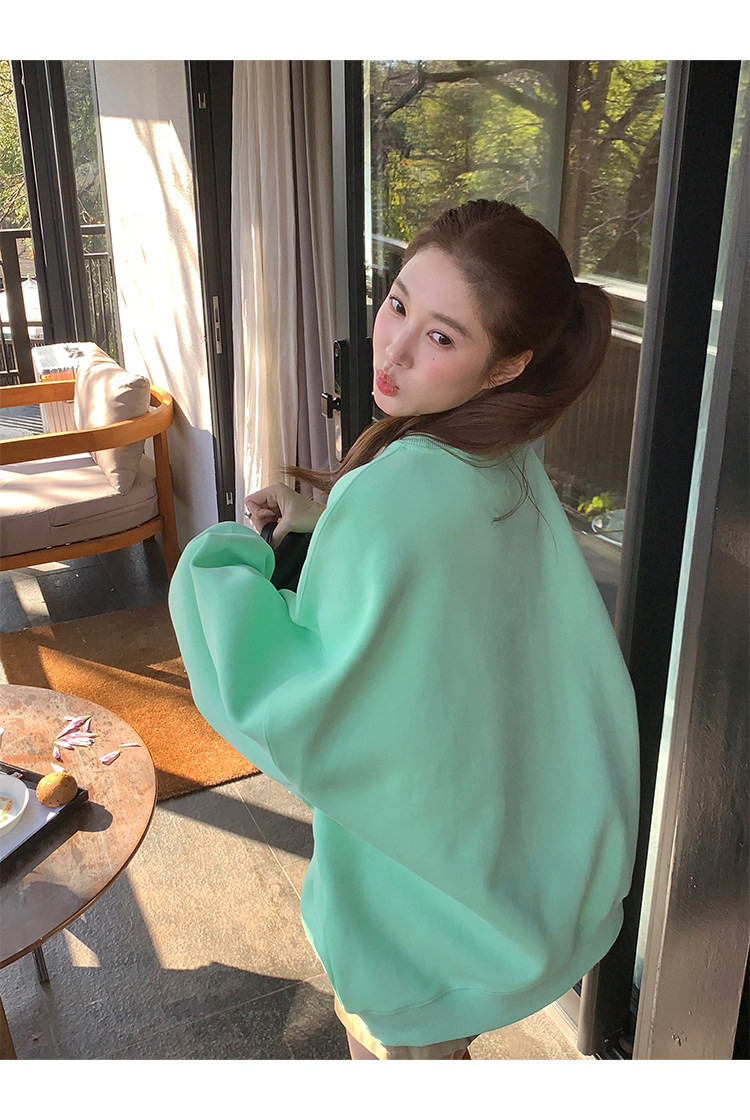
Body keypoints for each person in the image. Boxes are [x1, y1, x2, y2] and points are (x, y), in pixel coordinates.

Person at [168, 199, 640, 1061]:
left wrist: (223, 561)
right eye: (398, 305)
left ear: (507, 366)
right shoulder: (505, 455)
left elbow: (296, 705)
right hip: (501, 856)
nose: (393, 349)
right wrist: (326, 517)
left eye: (442, 336)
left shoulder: (396, 490)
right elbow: (440, 582)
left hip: (412, 891)